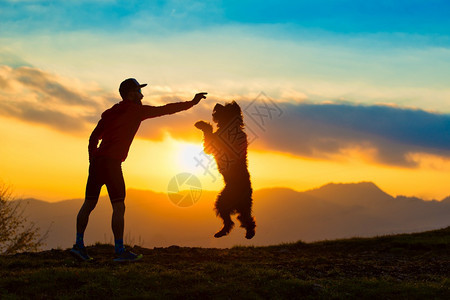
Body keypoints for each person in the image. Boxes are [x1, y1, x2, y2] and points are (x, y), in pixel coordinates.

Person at [70, 78, 207, 262]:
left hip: (97, 163)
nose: (142, 95)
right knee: (119, 207)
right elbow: (165, 109)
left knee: (88, 204)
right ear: (131, 94)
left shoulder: (110, 113)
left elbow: (93, 138)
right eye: (139, 91)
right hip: (112, 164)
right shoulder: (136, 111)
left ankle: (78, 246)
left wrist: (92, 161)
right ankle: (119, 251)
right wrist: (192, 103)